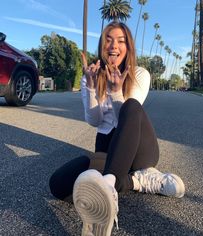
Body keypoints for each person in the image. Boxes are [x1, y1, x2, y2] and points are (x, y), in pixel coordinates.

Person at [49, 21, 185, 236]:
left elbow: (128, 116)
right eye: (109, 40)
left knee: (131, 105)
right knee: (58, 184)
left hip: (139, 148)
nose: (114, 46)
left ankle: (110, 186)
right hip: (107, 149)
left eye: (121, 41)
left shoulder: (140, 74)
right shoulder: (91, 76)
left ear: (128, 48)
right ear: (102, 46)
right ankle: (134, 180)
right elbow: (94, 121)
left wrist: (115, 92)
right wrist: (92, 87)